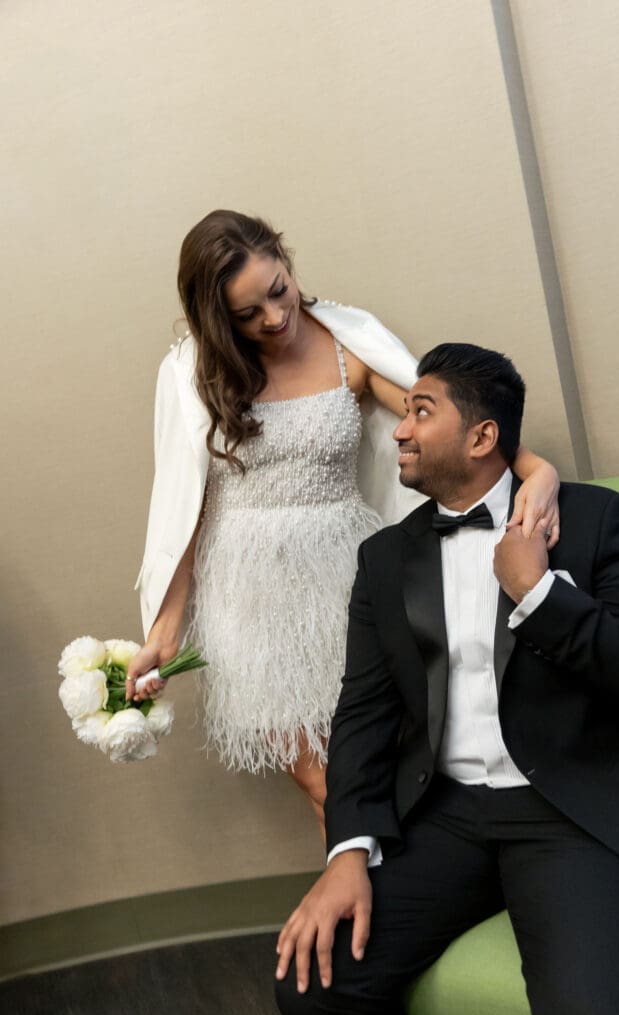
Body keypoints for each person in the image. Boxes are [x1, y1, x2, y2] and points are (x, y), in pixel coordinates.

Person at [275, 343, 619, 1015]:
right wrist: (347, 849)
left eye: (420, 412)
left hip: (575, 810)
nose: (399, 429)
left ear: (481, 436)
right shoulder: (383, 559)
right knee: (311, 988)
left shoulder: (593, 521)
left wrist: (539, 595)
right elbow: (362, 714)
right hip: (444, 815)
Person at [126, 211, 560, 833]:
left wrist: (537, 470)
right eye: (248, 314)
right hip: (249, 600)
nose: (275, 318)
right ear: (218, 316)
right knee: (324, 783)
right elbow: (183, 505)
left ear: (285, 257)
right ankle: (371, 914)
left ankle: (388, 909)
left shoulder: (347, 344)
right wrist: (164, 636)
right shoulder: (193, 372)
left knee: (379, 764)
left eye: (278, 291)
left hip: (345, 577)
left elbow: (447, 426)